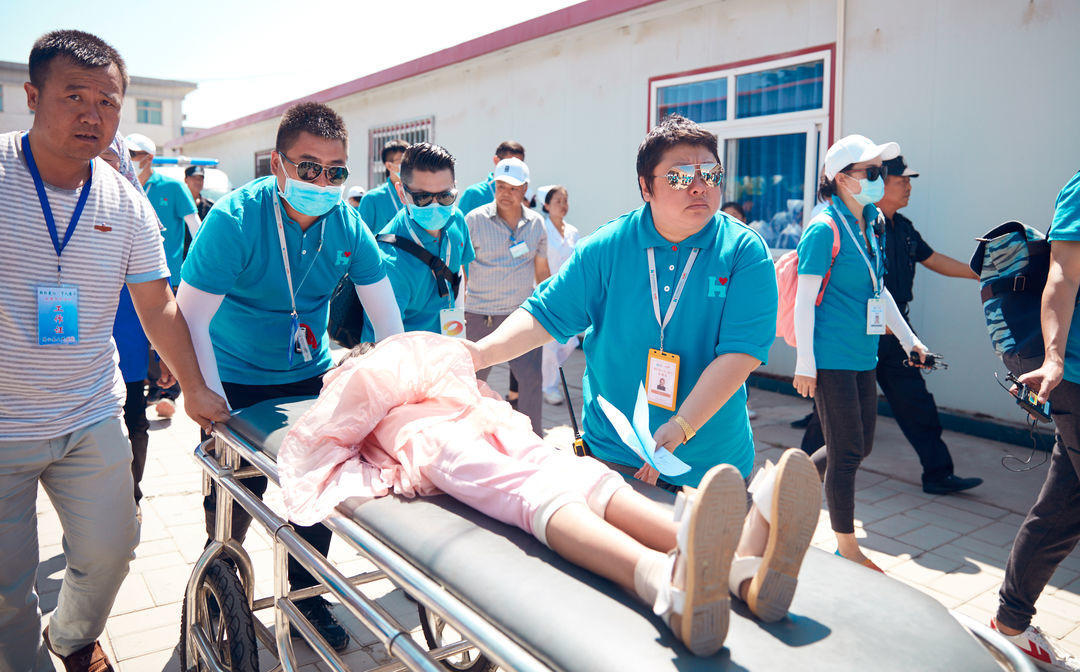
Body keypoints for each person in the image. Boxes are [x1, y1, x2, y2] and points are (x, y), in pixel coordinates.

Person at [278, 332, 822, 657]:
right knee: (530, 491)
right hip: (435, 444)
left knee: (579, 474)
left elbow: (450, 372)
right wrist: (354, 371)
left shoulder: (418, 376)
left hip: (482, 421)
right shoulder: (351, 392)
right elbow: (323, 435)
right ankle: (661, 579)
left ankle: (736, 567)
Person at [0, 30, 229, 672]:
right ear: (32, 95)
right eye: (74, 95)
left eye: (107, 102)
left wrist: (193, 387)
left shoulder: (126, 201)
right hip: (3, 423)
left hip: (88, 410)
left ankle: (71, 636)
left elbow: (157, 305)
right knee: (5, 586)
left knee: (114, 546)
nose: (92, 114)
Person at [176, 101, 404, 652]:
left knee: (315, 494)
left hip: (308, 374)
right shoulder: (235, 219)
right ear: (278, 164)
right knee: (234, 498)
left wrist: (401, 388)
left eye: (336, 171)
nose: (322, 181)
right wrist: (206, 397)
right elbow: (189, 316)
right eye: (308, 168)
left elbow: (388, 317)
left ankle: (307, 595)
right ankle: (216, 588)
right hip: (232, 378)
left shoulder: (347, 222)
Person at [463, 114, 777, 496]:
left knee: (711, 554)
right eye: (680, 177)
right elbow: (544, 313)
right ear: (646, 186)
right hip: (615, 451)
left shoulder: (744, 250)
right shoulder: (607, 246)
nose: (699, 187)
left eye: (711, 174)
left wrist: (682, 425)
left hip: (710, 461)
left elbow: (740, 354)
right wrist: (479, 354)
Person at [798, 155, 983, 495]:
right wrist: (805, 363)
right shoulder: (843, 226)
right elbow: (808, 295)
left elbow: (933, 260)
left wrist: (979, 274)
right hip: (851, 333)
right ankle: (798, 478)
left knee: (915, 402)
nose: (908, 187)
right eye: (901, 180)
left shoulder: (899, 227)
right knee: (830, 421)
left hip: (893, 331)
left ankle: (938, 473)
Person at [792, 134, 930, 572]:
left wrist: (911, 341)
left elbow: (878, 290)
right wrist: (805, 364)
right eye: (871, 172)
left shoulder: (870, 223)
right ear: (841, 179)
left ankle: (783, 484)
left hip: (862, 355)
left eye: (880, 171)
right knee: (848, 451)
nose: (879, 179)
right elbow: (803, 300)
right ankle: (846, 547)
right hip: (831, 358)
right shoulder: (824, 228)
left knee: (859, 444)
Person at [989, 171, 1080, 672]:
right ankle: (1010, 622)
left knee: (1065, 504)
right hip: (1077, 373)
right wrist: (1052, 356)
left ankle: (1010, 623)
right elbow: (1062, 276)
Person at [464, 157, 550, 434]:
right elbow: (461, 270)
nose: (505, 193)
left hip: (521, 316)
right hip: (480, 316)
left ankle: (532, 443)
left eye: (513, 188)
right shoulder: (474, 220)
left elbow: (542, 273)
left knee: (530, 383)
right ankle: (465, 438)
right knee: (470, 382)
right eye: (500, 186)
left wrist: (554, 314)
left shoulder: (536, 224)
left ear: (525, 188)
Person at [361, 142, 473, 339]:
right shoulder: (389, 262)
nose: (436, 205)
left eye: (446, 196)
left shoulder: (457, 220)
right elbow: (385, 344)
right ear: (401, 193)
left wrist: (458, 313)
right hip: (407, 359)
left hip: (449, 345)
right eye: (423, 198)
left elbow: (458, 271)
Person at [127, 132, 201, 418]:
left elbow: (197, 230)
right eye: (128, 154)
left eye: (135, 155)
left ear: (149, 158)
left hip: (170, 276)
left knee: (168, 334)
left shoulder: (172, 186)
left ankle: (169, 393)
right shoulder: (123, 184)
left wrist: (195, 273)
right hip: (132, 277)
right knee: (140, 335)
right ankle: (150, 389)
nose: (130, 160)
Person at [101, 135, 157, 515]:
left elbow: (160, 291)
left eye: (108, 156)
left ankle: (131, 496)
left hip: (131, 341)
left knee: (135, 420)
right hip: (79, 346)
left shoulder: (139, 212)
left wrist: (163, 352)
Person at [535, 185, 579, 406]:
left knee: (570, 341)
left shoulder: (572, 231)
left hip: (568, 294)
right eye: (558, 201)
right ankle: (548, 386)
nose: (563, 205)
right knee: (551, 343)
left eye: (565, 200)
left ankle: (545, 372)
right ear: (546, 205)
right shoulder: (540, 229)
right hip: (546, 291)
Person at [458, 140, 525, 217]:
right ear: (496, 160)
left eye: (519, 165)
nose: (513, 169)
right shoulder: (474, 193)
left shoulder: (520, 193)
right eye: (507, 164)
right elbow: (460, 226)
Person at [358, 138, 408, 233]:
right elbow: (362, 240)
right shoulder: (371, 199)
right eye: (402, 161)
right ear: (389, 166)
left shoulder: (417, 195)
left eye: (409, 160)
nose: (407, 165)